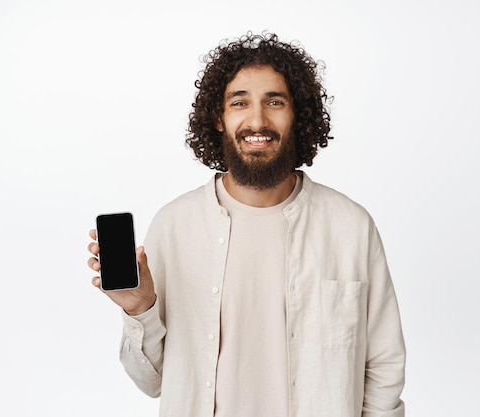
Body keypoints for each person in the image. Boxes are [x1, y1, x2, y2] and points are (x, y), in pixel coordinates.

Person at [87, 32, 405, 417]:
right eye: (240, 103)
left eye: (275, 102)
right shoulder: (174, 226)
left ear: (297, 115)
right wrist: (140, 309)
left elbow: (384, 368)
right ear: (219, 119)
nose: (257, 120)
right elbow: (151, 381)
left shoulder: (350, 226)